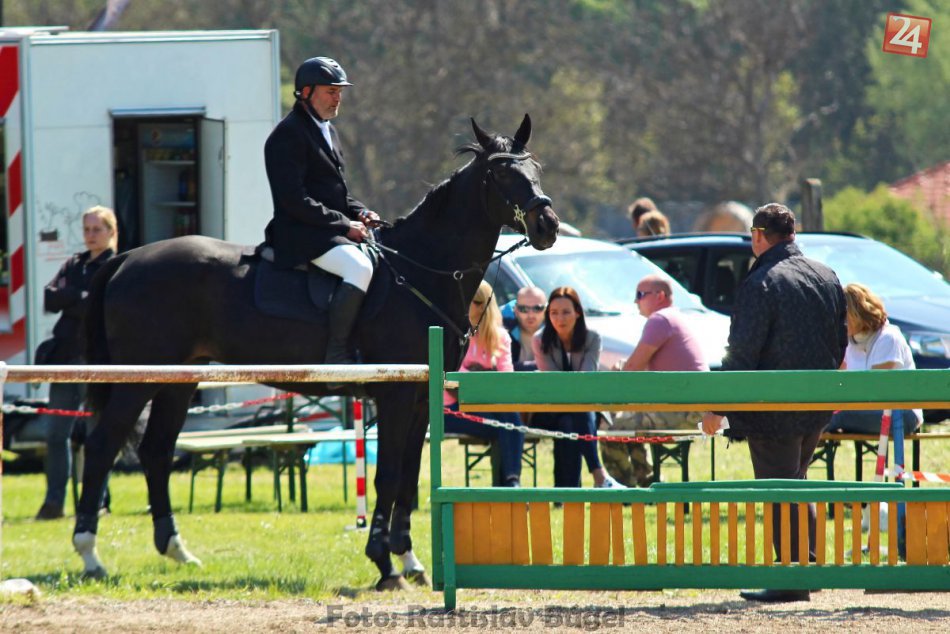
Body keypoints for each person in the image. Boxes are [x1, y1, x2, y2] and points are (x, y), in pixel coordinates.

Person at [701, 203, 846, 603]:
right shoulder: (826, 275)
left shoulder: (761, 281)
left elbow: (743, 352)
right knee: (797, 480)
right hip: (816, 403)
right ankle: (808, 568)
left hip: (772, 408)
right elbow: (840, 342)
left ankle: (790, 579)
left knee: (779, 487)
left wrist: (718, 406)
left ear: (760, 235)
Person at [262, 56, 382, 366]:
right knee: (360, 268)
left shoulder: (328, 131)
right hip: (300, 234)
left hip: (325, 229)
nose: (337, 98)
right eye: (330, 91)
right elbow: (294, 200)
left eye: (339, 91)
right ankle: (336, 353)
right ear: (305, 92)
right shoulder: (288, 134)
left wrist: (362, 212)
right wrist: (345, 225)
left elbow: (337, 193)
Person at [35, 206, 118, 520]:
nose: (90, 236)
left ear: (111, 231)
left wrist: (73, 298)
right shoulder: (73, 263)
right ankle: (53, 503)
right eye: (86, 230)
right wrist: (80, 298)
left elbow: (99, 307)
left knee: (99, 435)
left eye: (97, 229)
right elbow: (49, 298)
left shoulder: (116, 266)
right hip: (65, 358)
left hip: (98, 359)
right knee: (56, 435)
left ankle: (98, 502)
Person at [603, 275, 709, 487]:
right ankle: (647, 483)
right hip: (694, 409)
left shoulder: (660, 319)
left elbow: (633, 368)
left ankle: (626, 491)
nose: (636, 301)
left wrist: (618, 372)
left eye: (640, 295)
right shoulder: (673, 317)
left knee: (611, 431)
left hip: (682, 413)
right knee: (626, 423)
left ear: (660, 296)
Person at [531, 287, 623, 489]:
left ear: (578, 313)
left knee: (570, 423)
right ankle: (599, 475)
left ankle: (566, 494)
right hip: (549, 409)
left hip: (582, 408)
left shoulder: (592, 338)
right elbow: (553, 383)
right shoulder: (539, 339)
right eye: (553, 313)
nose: (559, 319)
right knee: (576, 413)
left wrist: (576, 392)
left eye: (566, 312)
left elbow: (585, 381)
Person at [444, 281, 525, 486]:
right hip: (450, 409)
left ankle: (510, 482)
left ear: (481, 305)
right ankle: (511, 483)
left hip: (488, 406)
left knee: (508, 418)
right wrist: (483, 376)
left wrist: (474, 377)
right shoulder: (453, 333)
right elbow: (450, 383)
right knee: (507, 424)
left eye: (468, 301)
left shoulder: (500, 337)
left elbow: (507, 379)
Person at [826, 283, 922, 434]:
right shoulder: (849, 341)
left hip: (902, 414)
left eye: (844, 314)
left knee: (836, 417)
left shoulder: (888, 338)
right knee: (821, 416)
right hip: (868, 411)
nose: (840, 320)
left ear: (860, 312)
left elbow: (874, 392)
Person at [507, 286, 547, 371]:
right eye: (524, 309)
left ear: (545, 311)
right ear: (515, 310)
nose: (531, 315)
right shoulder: (503, 333)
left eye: (537, 308)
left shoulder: (557, 334)